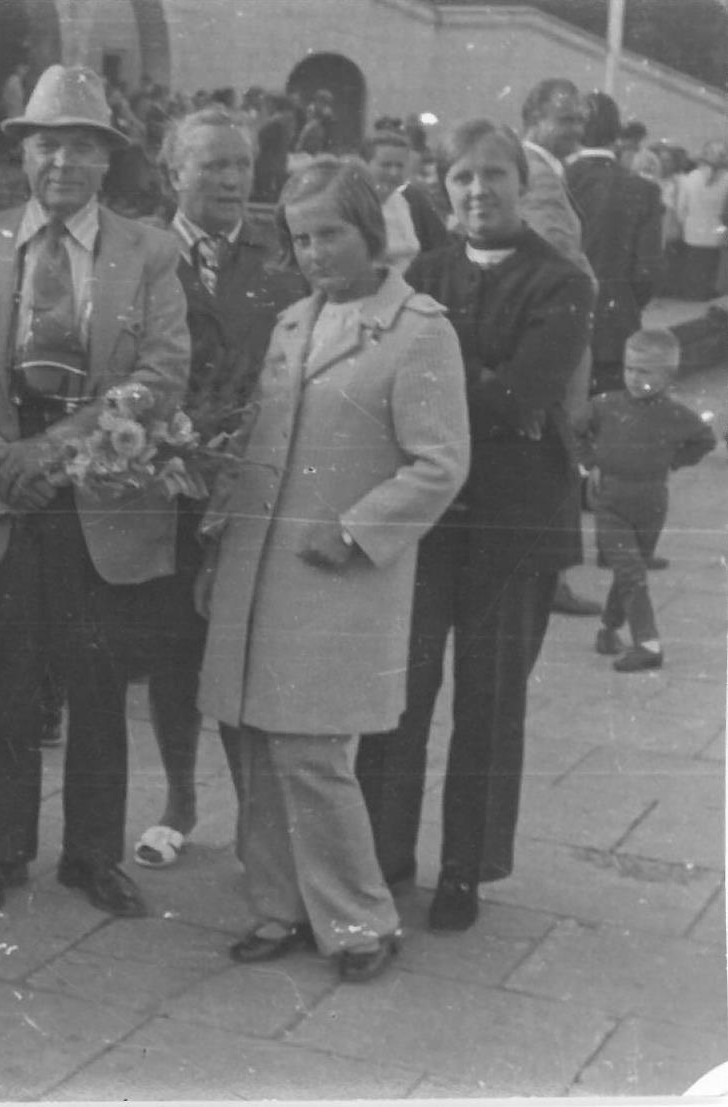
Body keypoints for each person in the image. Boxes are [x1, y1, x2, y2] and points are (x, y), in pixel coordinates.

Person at [0, 65, 189, 919]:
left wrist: (54, 452)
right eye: (47, 146)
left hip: (97, 503)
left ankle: (92, 854)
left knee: (98, 683)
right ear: (22, 155)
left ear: (106, 160)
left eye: (80, 147)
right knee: (1, 683)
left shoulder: (148, 252)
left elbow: (163, 372)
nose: (62, 164)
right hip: (0, 498)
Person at [198, 160, 469, 984]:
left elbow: (441, 463)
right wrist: (216, 534)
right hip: (258, 569)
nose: (314, 251)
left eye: (330, 234)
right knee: (253, 743)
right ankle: (278, 905)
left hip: (334, 576)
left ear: (371, 234)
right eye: (301, 236)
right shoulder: (290, 325)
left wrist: (354, 532)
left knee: (312, 752)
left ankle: (360, 920)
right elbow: (260, 444)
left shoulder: (419, 330)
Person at [355, 119, 594, 933]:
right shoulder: (423, 270)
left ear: (522, 187)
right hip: (427, 521)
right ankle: (384, 858)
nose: (478, 191)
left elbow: (527, 396)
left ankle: (466, 869)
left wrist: (454, 376)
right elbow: (397, 384)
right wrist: (481, 379)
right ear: (441, 188)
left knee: (489, 701)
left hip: (515, 524)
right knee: (401, 692)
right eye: (462, 177)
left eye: (495, 175)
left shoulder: (562, 280)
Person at [130, 106, 306, 871]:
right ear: (173, 174)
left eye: (242, 164)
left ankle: (257, 821)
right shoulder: (137, 253)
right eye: (214, 166)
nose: (235, 180)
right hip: (163, 492)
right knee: (173, 656)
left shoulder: (281, 263)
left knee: (244, 660)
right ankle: (179, 799)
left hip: (251, 496)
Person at [580, 329, 715, 672]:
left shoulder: (677, 415)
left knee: (630, 569)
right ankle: (648, 643)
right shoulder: (604, 405)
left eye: (646, 371)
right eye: (630, 369)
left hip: (652, 502)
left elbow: (704, 440)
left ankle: (608, 629)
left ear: (668, 376)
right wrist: (590, 464)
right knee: (630, 569)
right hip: (609, 499)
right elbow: (574, 431)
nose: (634, 378)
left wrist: (674, 461)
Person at [519, 77, 604, 620]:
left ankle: (549, 575)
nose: (575, 129)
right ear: (534, 116)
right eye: (565, 119)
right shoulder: (538, 173)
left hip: (547, 327)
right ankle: (550, 579)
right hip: (556, 331)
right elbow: (559, 256)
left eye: (579, 120)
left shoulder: (539, 167)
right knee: (556, 452)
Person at [566, 91, 665, 398]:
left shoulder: (555, 180)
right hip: (614, 326)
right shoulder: (643, 190)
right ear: (617, 133)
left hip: (553, 325)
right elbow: (646, 272)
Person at [364, 129, 448, 271]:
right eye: (386, 165)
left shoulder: (412, 199)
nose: (394, 173)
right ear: (365, 165)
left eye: (399, 166)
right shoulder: (351, 205)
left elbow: (442, 248)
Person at [672, 141, 728, 300]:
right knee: (713, 267)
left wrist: (685, 223)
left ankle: (693, 293)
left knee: (695, 266)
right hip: (718, 232)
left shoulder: (690, 178)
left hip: (693, 231)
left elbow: (681, 208)